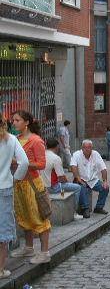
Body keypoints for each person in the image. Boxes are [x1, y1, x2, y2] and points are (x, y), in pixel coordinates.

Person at [10, 110, 51, 264]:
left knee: (39, 216)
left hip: (32, 184)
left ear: (26, 123)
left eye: (17, 120)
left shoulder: (36, 140)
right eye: (13, 120)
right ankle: (28, 247)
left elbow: (42, 164)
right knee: (24, 216)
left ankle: (45, 252)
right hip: (19, 183)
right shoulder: (15, 139)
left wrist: (19, 162)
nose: (14, 123)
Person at [0, 114, 29, 278]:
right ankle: (0, 269)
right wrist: (15, 178)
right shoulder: (10, 139)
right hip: (4, 186)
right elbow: (24, 162)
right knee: (3, 231)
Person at [43, 138, 84, 219]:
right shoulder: (55, 158)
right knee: (77, 187)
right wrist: (67, 182)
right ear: (57, 146)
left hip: (42, 186)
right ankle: (74, 213)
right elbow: (61, 177)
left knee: (65, 187)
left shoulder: (41, 155)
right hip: (53, 187)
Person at [70, 140, 109, 216]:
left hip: (93, 180)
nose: (87, 149)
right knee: (82, 187)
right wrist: (78, 178)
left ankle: (99, 207)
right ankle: (85, 208)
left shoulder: (96, 154)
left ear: (92, 148)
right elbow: (73, 167)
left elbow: (103, 168)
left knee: (105, 188)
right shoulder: (76, 154)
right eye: (85, 147)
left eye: (89, 147)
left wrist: (105, 181)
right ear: (82, 148)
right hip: (80, 179)